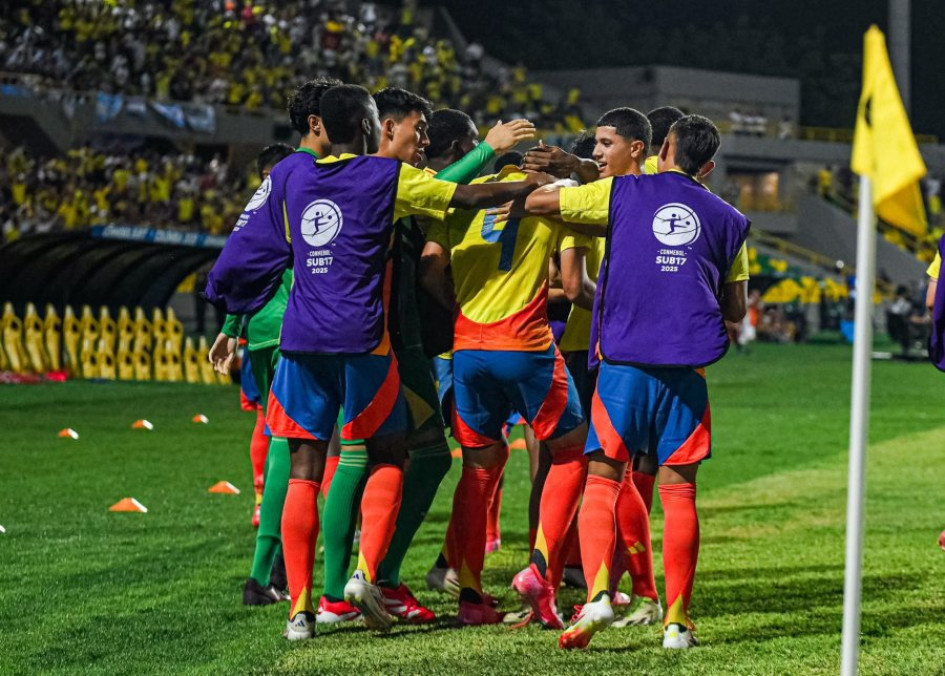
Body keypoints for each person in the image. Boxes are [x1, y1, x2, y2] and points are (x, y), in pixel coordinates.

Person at [206, 84, 555, 640]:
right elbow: (461, 196)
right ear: (371, 127)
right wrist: (523, 182)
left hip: (301, 341)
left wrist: (228, 309)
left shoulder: (290, 175)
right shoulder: (384, 177)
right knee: (389, 454)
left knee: (304, 468)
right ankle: (366, 576)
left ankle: (301, 610)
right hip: (365, 341)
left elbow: (244, 247)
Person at [523, 114, 750, 650]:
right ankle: (675, 622)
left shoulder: (622, 193)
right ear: (708, 167)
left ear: (663, 148)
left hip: (624, 363)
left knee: (602, 476)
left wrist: (573, 189)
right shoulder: (731, 220)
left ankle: (600, 591)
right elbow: (736, 308)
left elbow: (539, 206)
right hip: (686, 371)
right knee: (680, 493)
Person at [421, 148, 595, 628]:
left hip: (467, 348)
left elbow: (430, 266)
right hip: (524, 343)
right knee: (572, 452)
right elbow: (571, 279)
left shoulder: (462, 203)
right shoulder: (551, 198)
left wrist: (455, 304)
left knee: (480, 465)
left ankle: (471, 594)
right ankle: (540, 570)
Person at [208, 80, 340, 607]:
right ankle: (270, 572)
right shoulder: (306, 178)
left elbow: (249, 259)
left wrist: (231, 325)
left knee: (281, 431)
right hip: (293, 329)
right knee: (311, 445)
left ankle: (276, 570)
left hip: (262, 329)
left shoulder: (275, 183)